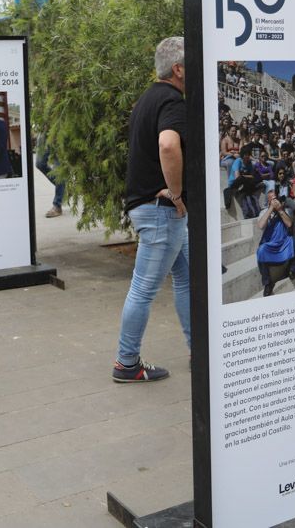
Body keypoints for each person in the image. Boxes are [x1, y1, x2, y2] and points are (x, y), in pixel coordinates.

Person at [113, 36, 190, 383]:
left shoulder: (148, 99)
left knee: (187, 278)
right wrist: (176, 196)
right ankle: (126, 363)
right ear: (178, 69)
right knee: (143, 289)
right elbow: (167, 145)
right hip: (161, 211)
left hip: (154, 209)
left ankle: (198, 349)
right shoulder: (173, 100)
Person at [256, 190, 295, 297]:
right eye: (272, 199)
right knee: (261, 250)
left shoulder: (284, 210)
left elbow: (289, 224)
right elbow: (261, 225)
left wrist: (280, 210)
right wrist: (271, 209)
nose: (275, 200)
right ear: (268, 202)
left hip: (283, 242)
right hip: (270, 244)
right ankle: (267, 283)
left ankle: (291, 271)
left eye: (275, 198)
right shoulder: (264, 212)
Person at [35, 132, 64, 216]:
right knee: (39, 163)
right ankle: (62, 187)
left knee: (58, 169)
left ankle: (57, 205)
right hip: (43, 130)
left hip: (58, 128)